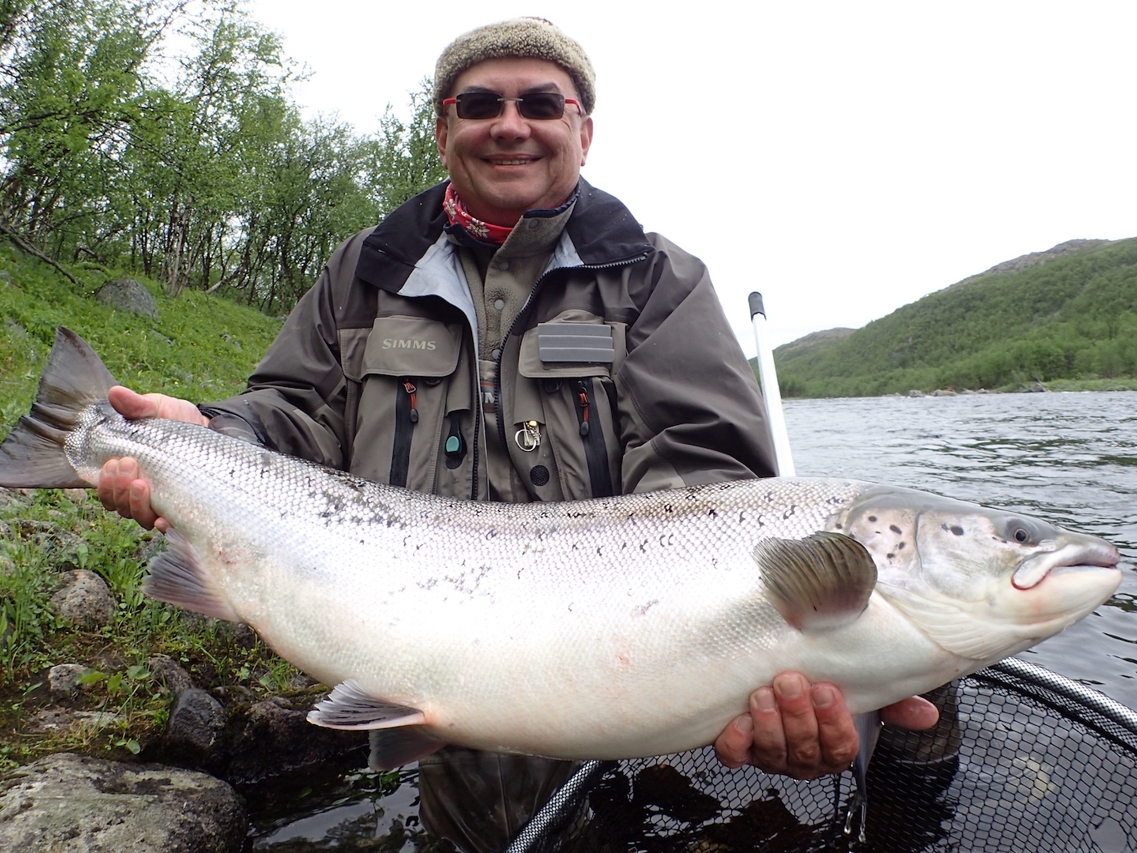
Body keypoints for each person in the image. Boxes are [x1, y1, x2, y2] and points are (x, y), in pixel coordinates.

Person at [97, 17, 937, 849]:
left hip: (624, 688)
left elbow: (708, 480)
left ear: (583, 131)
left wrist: (728, 651)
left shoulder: (656, 280)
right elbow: (294, 413)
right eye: (479, 104)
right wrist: (206, 434)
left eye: (540, 103)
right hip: (421, 664)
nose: (509, 124)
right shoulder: (365, 270)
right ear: (442, 131)